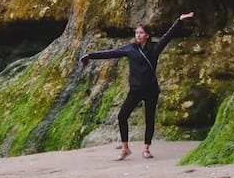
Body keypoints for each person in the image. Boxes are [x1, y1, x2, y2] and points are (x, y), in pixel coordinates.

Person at [80, 12, 195, 160]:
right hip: (135, 90)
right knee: (122, 116)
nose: (138, 35)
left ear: (147, 35)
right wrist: (91, 56)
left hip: (151, 90)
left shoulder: (154, 48)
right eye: (137, 33)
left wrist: (179, 20)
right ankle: (125, 148)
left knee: (149, 119)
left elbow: (168, 36)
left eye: (141, 33)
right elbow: (111, 53)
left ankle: (146, 149)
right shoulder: (130, 49)